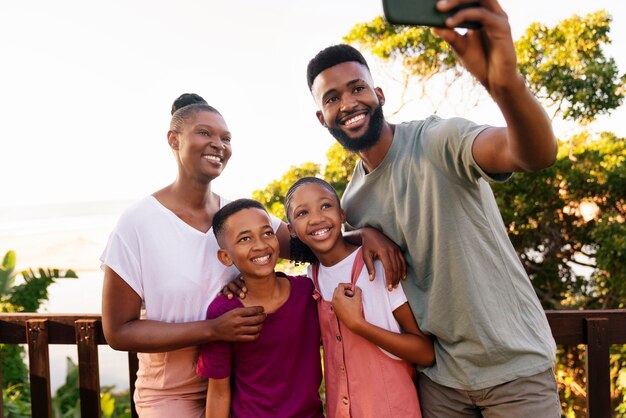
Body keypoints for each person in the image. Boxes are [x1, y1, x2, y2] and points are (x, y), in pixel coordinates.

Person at [305, 1, 561, 416]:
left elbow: (534, 154)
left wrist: (506, 86)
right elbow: (296, 238)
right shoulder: (350, 203)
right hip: (439, 379)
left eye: (357, 88)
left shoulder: (439, 140)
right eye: (333, 98)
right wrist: (360, 233)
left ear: (378, 94)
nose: (348, 102)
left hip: (515, 368)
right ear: (323, 117)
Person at [100, 93, 291, 417]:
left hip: (240, 382)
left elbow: (307, 246)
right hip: (168, 394)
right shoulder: (138, 222)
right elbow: (118, 331)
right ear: (174, 139)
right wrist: (213, 329)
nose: (218, 144)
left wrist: (364, 235)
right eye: (205, 133)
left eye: (226, 138)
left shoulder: (238, 217)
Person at [285, 176, 434, 418]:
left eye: (325, 206)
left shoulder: (377, 265)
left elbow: (426, 352)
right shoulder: (309, 280)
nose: (316, 218)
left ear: (342, 215)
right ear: (291, 230)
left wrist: (358, 325)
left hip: (393, 409)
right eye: (302, 213)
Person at [197, 198, 324, 418]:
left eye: (267, 233)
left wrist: (366, 236)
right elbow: (218, 393)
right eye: (245, 238)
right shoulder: (223, 314)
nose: (261, 245)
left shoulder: (308, 292)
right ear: (226, 256)